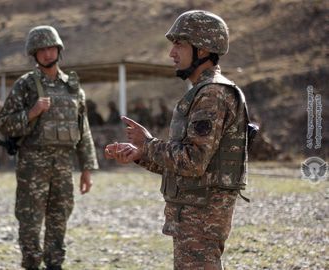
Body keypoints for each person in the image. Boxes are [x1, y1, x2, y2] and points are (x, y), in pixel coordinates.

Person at [105, 10, 251, 269]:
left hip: (201, 216)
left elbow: (193, 162)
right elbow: (188, 165)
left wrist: (148, 143)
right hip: (194, 213)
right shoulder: (202, 93)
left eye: (180, 45)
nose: (172, 53)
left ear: (204, 50)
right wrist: (141, 154)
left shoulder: (212, 94)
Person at [0, 25, 98, 270]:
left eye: (50, 48)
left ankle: (55, 265)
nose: (47, 54)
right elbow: (4, 124)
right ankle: (31, 264)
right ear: (34, 53)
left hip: (63, 166)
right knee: (30, 222)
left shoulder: (72, 87)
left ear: (58, 49)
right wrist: (31, 113)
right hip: (33, 166)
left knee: (59, 220)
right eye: (41, 50)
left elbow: (82, 129)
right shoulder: (26, 85)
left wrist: (87, 168)